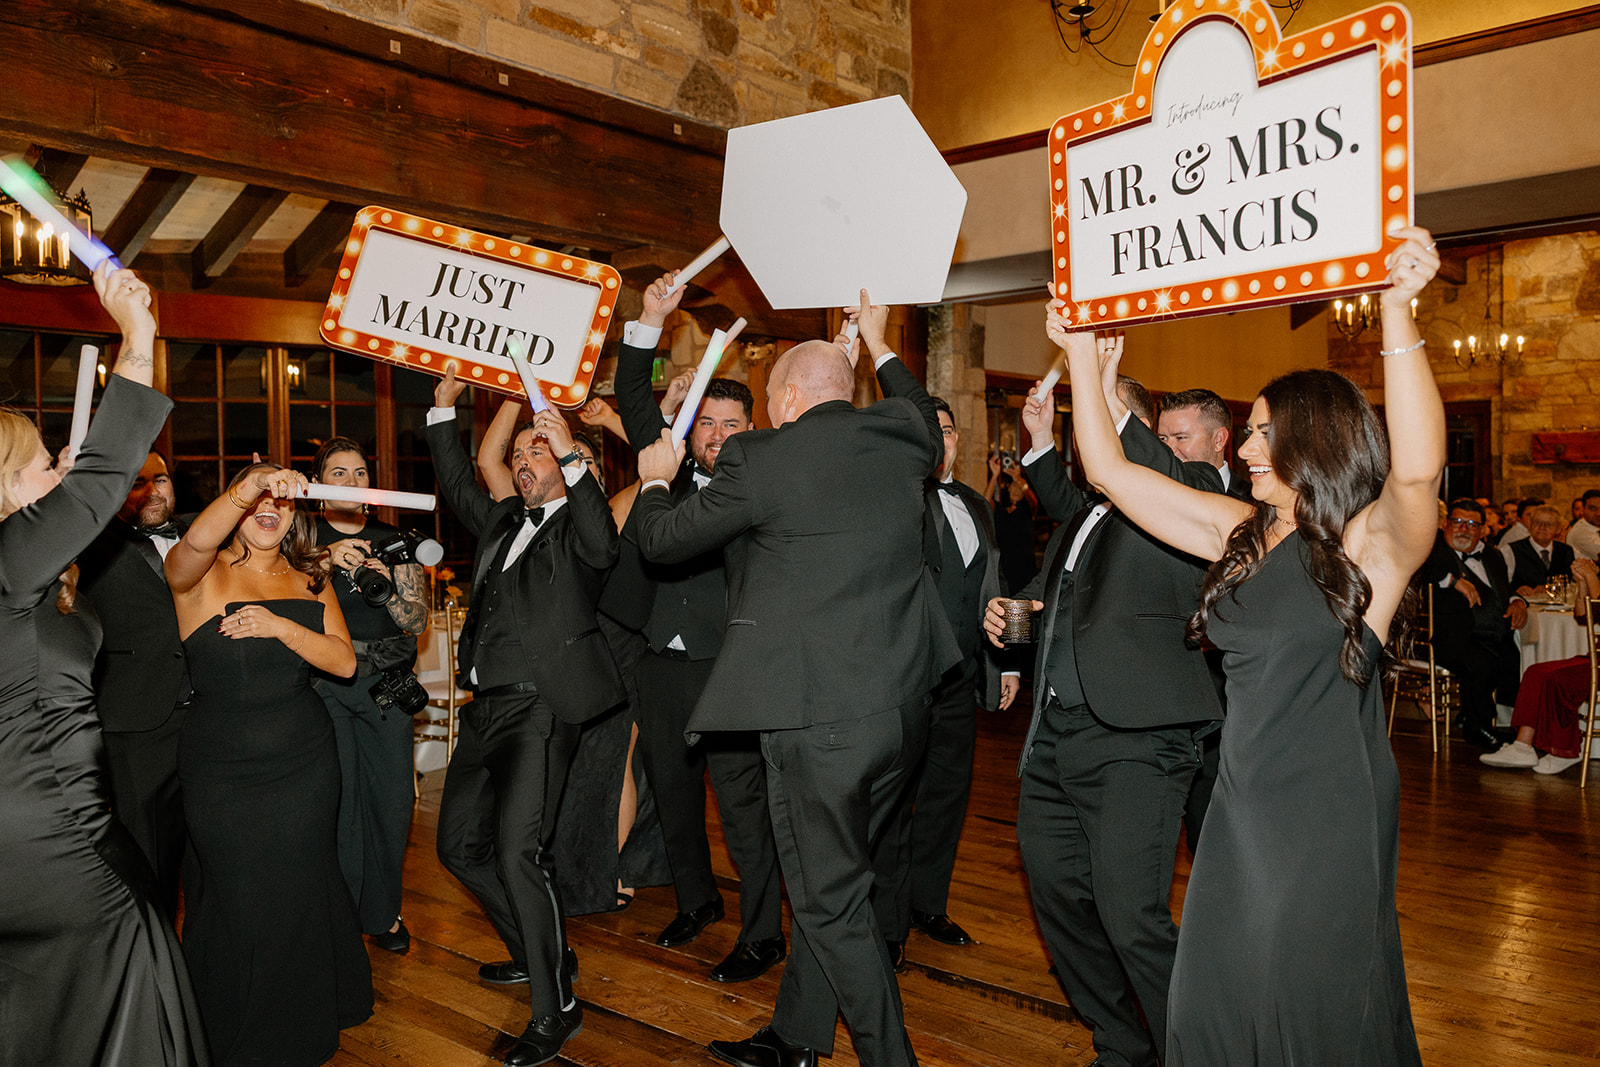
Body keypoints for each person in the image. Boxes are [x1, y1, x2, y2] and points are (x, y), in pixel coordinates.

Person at [1052, 226, 1444, 1065]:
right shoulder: (1240, 533)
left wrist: (1396, 313)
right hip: (1239, 804)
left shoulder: (1368, 548)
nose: (1250, 448)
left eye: (1266, 432)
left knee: (1305, 1001)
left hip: (1326, 810)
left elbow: (1414, 474)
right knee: (1213, 993)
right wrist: (1083, 355)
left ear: (1317, 441)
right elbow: (1113, 472)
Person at [633, 293, 959, 1067]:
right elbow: (914, 401)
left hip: (819, 723)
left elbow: (664, 542)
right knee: (836, 877)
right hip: (903, 713)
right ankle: (798, 1036)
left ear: (783, 400)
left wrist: (653, 478)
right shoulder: (906, 440)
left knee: (827, 898)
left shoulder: (761, 456)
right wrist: (878, 345)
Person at [981, 368, 1225, 1067]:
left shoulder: (1201, 493)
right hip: (1056, 735)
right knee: (1060, 901)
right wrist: (1012, 618)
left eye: (1099, 415)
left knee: (1132, 918)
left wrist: (1095, 382)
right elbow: (1067, 592)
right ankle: (1126, 1044)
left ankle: (1200, 1050)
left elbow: (1152, 485)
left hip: (1139, 739)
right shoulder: (1090, 512)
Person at [0, 263, 207, 1066]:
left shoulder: (25, 571)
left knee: (46, 991)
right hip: (54, 829)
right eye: (46, 462)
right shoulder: (12, 555)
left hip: (28, 820)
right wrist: (139, 334)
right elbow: (100, 483)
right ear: (11, 487)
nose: (60, 469)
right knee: (133, 961)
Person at [426, 367, 625, 1067]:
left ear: (568, 464)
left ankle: (556, 1005)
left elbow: (607, 546)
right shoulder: (504, 520)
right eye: (519, 454)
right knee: (458, 847)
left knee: (518, 851)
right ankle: (540, 954)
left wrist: (570, 450)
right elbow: (457, 482)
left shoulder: (579, 526)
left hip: (542, 708)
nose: (521, 458)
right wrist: (442, 411)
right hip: (486, 711)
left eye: (535, 451)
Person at [165, 458, 371, 1066]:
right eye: (257, 504)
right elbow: (191, 544)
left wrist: (283, 628)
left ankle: (294, 1027)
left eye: (277, 504)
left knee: (299, 886)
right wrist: (248, 485)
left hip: (305, 760)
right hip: (220, 764)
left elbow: (344, 662)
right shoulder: (197, 573)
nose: (267, 512)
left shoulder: (311, 578)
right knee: (240, 894)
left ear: (293, 517)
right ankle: (230, 1025)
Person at [610, 273, 786, 984]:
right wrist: (650, 320)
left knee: (744, 810)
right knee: (673, 797)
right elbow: (630, 399)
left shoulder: (761, 491)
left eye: (729, 426)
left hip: (732, 669)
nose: (714, 436)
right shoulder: (669, 474)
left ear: (750, 433)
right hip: (661, 662)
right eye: (706, 424)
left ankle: (764, 932)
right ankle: (695, 899)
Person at [474, 400, 672, 919]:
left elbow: (664, 460)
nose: (562, 462)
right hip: (563, 651)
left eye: (574, 458)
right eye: (557, 455)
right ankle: (553, 873)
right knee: (560, 774)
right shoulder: (529, 513)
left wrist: (608, 421)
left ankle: (611, 869)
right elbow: (489, 465)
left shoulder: (616, 507)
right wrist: (514, 390)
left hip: (615, 646)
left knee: (610, 766)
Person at [875, 396, 1018, 972]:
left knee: (945, 799)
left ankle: (928, 905)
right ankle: (887, 922)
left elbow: (992, 585)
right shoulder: (894, 502)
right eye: (930, 432)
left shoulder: (978, 506)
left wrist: (1006, 662)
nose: (943, 441)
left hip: (961, 679)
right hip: (906, 681)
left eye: (950, 431)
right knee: (894, 805)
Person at [309, 436, 429, 955]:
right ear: (317, 484)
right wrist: (323, 559)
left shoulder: (393, 537)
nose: (353, 483)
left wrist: (392, 581)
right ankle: (337, 916)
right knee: (337, 801)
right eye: (339, 473)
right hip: (325, 681)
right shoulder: (299, 536)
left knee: (391, 800)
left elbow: (416, 620)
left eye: (360, 473)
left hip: (386, 684)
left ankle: (383, 915)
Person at [77, 449, 192, 922]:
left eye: (160, 479)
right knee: (146, 864)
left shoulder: (204, 532)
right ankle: (154, 973)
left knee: (213, 854)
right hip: (135, 722)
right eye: (136, 480)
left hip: (211, 715)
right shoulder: (89, 541)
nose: (151, 490)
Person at [1420, 499, 1527, 749]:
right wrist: (1453, 580)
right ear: (1446, 525)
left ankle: (1505, 724)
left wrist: (1517, 601)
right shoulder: (1431, 548)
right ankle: (1478, 728)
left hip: (1490, 633)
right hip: (1443, 637)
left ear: (1482, 530)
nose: (1463, 529)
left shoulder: (1492, 554)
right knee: (1481, 662)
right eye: (1457, 522)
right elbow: (1420, 569)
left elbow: (1506, 588)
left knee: (1515, 657)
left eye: (1471, 524)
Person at [1481, 557, 1600, 774]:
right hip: (1594, 659)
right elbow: (1583, 616)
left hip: (1597, 662)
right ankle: (1523, 745)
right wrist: (1583, 581)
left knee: (1557, 679)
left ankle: (1562, 750)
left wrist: (1592, 577)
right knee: (1537, 672)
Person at [1158, 388, 1248, 500]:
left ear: (1218, 440)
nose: (1168, 449)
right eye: (1163, 438)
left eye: (1181, 438)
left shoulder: (1255, 503)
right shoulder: (1152, 493)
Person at [985, 457, 1039, 595]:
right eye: (1013, 486)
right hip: (1003, 566)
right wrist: (995, 475)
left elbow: (1033, 501)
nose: (1016, 489)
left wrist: (1019, 479)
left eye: (1019, 487)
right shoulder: (999, 510)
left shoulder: (1027, 510)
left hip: (1024, 566)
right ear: (1008, 488)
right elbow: (984, 503)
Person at [1503, 504, 1575, 596]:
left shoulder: (1567, 551)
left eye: (1549, 524)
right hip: (1527, 606)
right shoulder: (1510, 550)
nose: (1542, 527)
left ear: (1558, 529)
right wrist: (1516, 589)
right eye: (1537, 522)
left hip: (1559, 607)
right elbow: (1501, 583)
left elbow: (1572, 584)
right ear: (1530, 524)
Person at [1568, 489, 1600, 560]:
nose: (1598, 513)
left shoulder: (1595, 528)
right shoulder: (1580, 532)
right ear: (1583, 509)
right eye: (1593, 508)